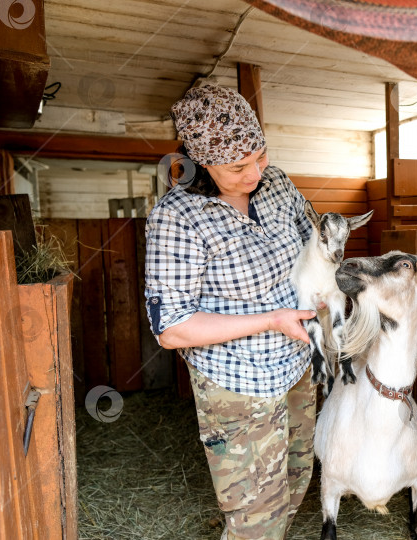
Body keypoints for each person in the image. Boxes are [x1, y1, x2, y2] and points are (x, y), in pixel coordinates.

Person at [144, 84, 317, 540]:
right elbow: (173, 328)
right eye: (238, 167)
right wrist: (271, 319)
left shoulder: (277, 184)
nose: (256, 172)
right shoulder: (177, 216)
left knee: (297, 481)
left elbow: (313, 241)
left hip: (297, 366)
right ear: (201, 162)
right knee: (256, 519)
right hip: (236, 381)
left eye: (260, 155)